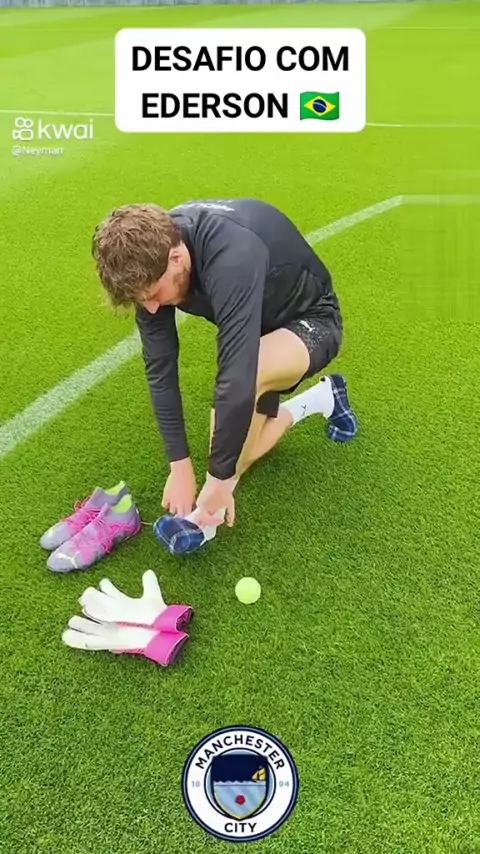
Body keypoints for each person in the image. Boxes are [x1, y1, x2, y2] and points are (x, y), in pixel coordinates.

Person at [91, 198, 358, 540]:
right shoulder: (150, 261)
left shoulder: (231, 257)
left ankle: (205, 520)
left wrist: (218, 480)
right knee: (242, 450)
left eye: (154, 294)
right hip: (257, 327)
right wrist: (179, 466)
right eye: (142, 300)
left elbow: (235, 375)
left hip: (312, 321)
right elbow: (160, 371)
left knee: (229, 449)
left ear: (176, 257)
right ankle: (323, 398)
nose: (152, 308)